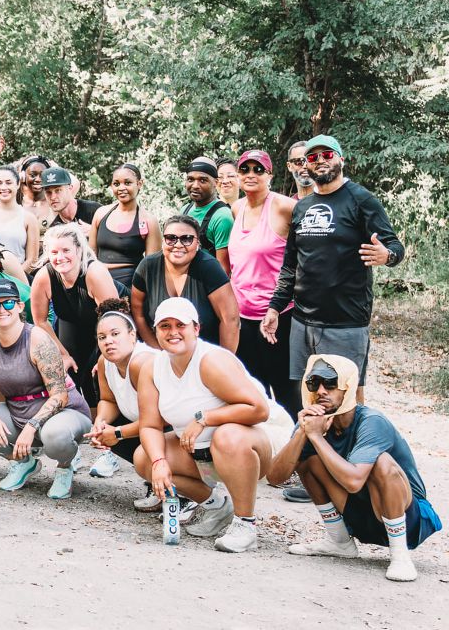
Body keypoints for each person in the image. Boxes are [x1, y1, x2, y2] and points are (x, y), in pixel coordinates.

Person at [135, 298, 294, 554]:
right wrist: (159, 462)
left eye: (180, 325)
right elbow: (150, 426)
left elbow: (258, 409)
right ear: (156, 331)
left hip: (259, 443)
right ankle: (217, 507)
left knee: (227, 436)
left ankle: (245, 524)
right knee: (145, 457)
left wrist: (205, 418)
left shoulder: (211, 360)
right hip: (202, 451)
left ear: (196, 329)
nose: (173, 332)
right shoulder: (152, 368)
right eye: (165, 326)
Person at [266, 355, 441, 582]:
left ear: (347, 388)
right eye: (314, 383)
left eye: (330, 383)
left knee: (382, 462)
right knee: (307, 460)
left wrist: (316, 437)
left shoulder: (371, 421)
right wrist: (302, 433)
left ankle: (400, 555)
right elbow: (274, 477)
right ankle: (339, 541)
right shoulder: (312, 421)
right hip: (362, 515)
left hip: (409, 520)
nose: (320, 391)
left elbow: (353, 482)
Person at [263, 135, 404, 408]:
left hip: (345, 322)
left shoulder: (361, 199)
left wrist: (387, 256)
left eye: (327, 155)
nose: (320, 161)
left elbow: (395, 245)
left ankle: (355, 438)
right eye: (312, 157)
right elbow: (291, 265)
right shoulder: (302, 207)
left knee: (346, 398)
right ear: (306, 165)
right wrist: (275, 307)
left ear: (341, 159)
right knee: (309, 396)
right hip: (303, 322)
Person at [0, 278, 93, 498]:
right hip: (18, 409)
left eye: (8, 303)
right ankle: (23, 461)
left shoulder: (37, 338)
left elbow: (60, 396)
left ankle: (65, 467)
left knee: (55, 436)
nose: (2, 309)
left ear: (19, 306)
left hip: (63, 412)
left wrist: (31, 427)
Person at [228, 150, 299, 419]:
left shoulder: (283, 207)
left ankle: (298, 442)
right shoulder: (236, 208)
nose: (251, 175)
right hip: (242, 317)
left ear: (270, 175)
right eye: (245, 169)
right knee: (254, 390)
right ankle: (266, 442)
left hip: (276, 315)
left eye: (258, 170)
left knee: (285, 390)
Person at [28, 224, 122, 408]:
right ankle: (80, 417)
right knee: (69, 372)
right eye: (54, 252)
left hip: (111, 322)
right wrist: (63, 355)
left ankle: (106, 418)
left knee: (97, 375)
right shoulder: (44, 277)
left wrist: (104, 357)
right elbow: (40, 321)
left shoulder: (95, 273)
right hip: (72, 321)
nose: (60, 257)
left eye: (66, 250)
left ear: (79, 249)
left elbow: (114, 319)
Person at [86, 300, 160, 506]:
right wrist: (100, 422)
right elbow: (108, 400)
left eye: (115, 334)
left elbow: (160, 419)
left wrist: (117, 433)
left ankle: (182, 492)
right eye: (102, 337)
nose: (108, 341)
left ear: (132, 335)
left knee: (140, 454)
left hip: (173, 428)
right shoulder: (104, 362)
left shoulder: (141, 362)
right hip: (144, 424)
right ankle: (156, 482)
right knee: (106, 431)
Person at [131, 215, 239, 351]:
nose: (178, 245)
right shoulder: (148, 267)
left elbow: (230, 319)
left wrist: (222, 360)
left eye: (187, 239)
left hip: (204, 353)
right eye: (171, 238)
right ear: (163, 241)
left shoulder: (209, 267)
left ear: (197, 243)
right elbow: (138, 313)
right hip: (161, 351)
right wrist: (157, 352)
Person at [90, 163, 162, 288]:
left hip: (130, 285)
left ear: (139, 184)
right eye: (116, 184)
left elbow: (152, 266)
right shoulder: (100, 214)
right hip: (99, 280)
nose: (121, 188)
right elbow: (90, 254)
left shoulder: (149, 221)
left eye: (127, 183)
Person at [0, 166, 39, 272]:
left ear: (18, 184)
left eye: (8, 183)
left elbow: (32, 260)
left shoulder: (29, 218)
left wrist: (14, 277)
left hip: (18, 278)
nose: (3, 187)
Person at [181, 157, 234, 272]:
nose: (195, 185)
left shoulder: (222, 217)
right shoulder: (184, 210)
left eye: (202, 180)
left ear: (216, 183)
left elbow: (223, 270)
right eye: (190, 179)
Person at [38, 167, 99, 232]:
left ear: (70, 188)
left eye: (58, 190)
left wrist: (94, 232)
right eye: (48, 192)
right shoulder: (55, 230)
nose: (53, 197)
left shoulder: (94, 211)